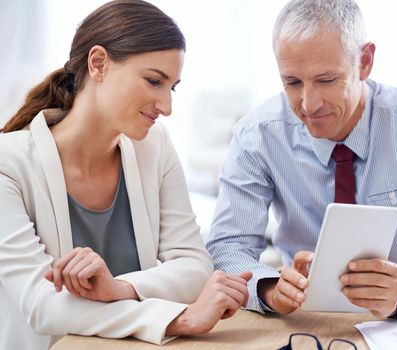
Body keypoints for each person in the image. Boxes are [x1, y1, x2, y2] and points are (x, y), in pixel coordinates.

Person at [206, 0, 397, 320]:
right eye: (292, 82)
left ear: (364, 62)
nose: (309, 104)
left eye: (326, 80)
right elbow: (228, 246)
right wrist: (269, 288)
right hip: (303, 315)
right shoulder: (256, 135)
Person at [0, 1, 251, 349]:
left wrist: (119, 289)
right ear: (99, 63)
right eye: (153, 81)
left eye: (172, 87)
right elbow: (42, 304)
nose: (166, 107)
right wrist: (179, 319)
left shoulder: (155, 146)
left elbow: (195, 265)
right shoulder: (7, 165)